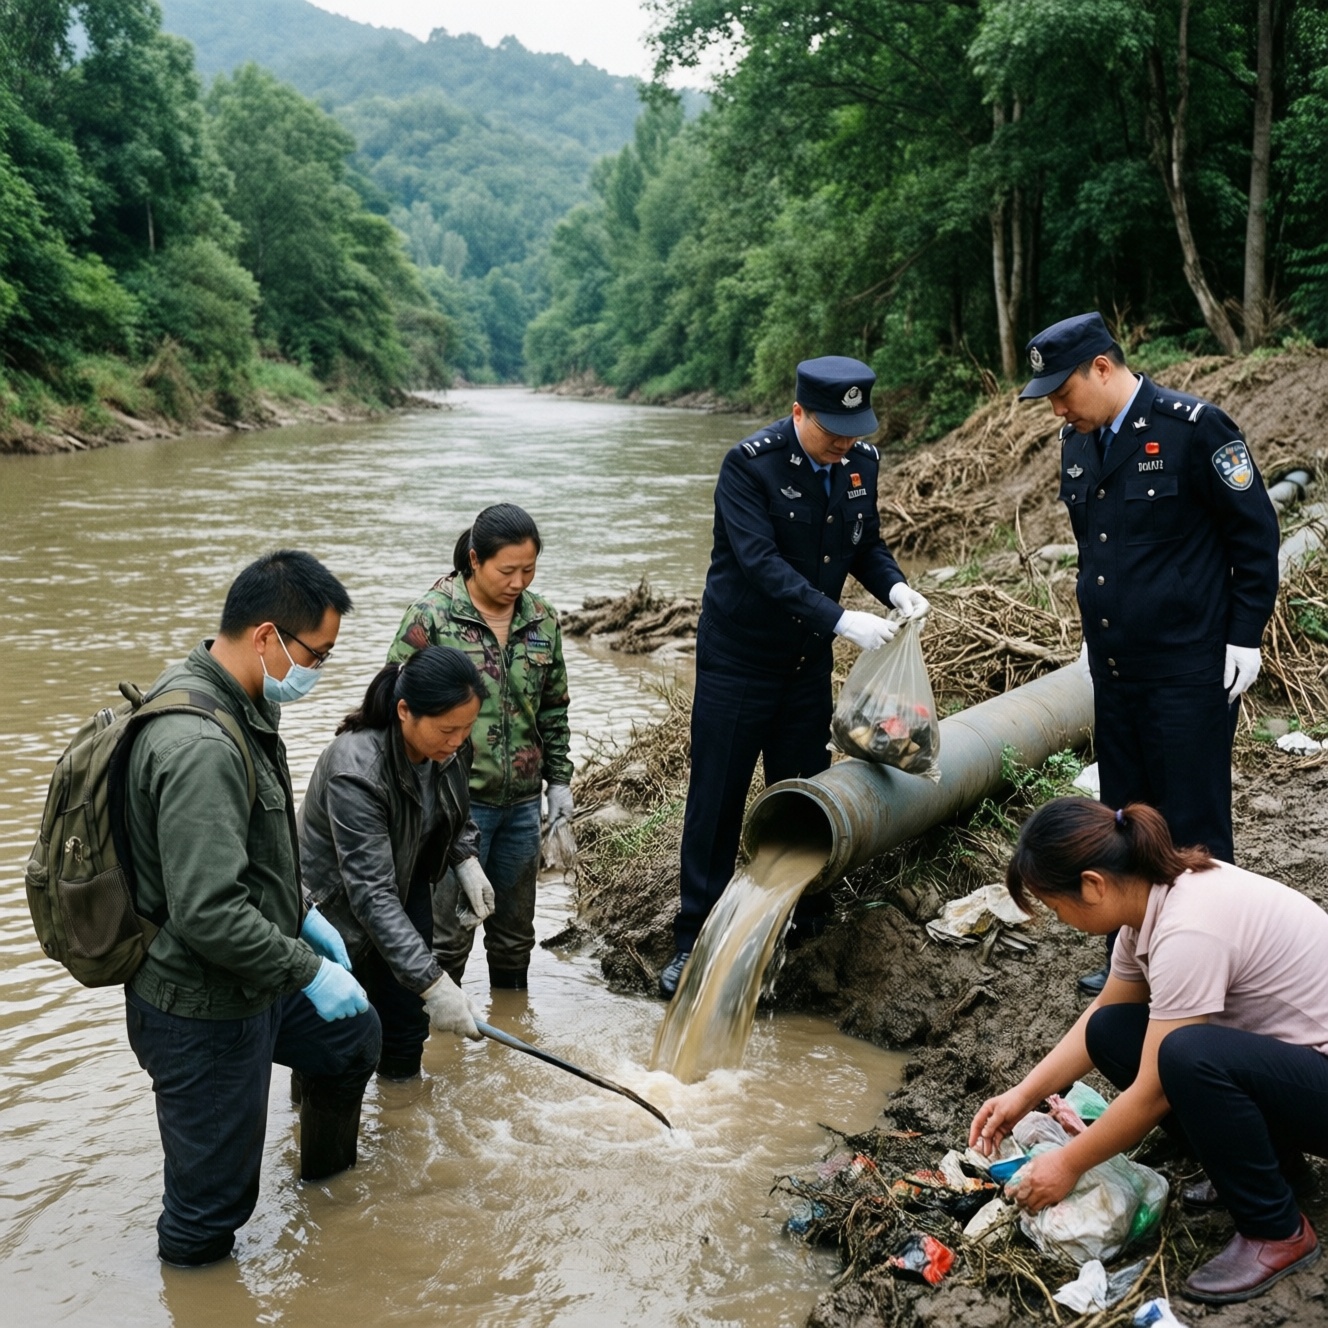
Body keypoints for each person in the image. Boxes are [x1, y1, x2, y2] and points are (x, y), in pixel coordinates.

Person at [123, 550, 382, 1269]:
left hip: (253, 975)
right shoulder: (200, 742)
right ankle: (200, 1297)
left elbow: (255, 849)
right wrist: (308, 968)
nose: (320, 671)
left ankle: (327, 1206)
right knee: (209, 1214)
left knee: (351, 1039)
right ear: (268, 637)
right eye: (317, 654)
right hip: (200, 1006)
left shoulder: (246, 703)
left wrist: (299, 910)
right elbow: (208, 912)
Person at [970, 797, 1328, 1305]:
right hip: (1295, 1068)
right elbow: (1102, 1017)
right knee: (1112, 1031)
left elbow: (1154, 1091)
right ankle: (1275, 1165)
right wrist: (1022, 1096)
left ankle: (1276, 1230)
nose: (1060, 919)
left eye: (1055, 907)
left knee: (1186, 1056)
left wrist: (1067, 1163)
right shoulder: (1150, 905)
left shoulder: (1189, 928)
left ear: (1092, 884)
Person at [1019, 312, 1280, 995]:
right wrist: (1094, 628)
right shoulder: (1077, 443)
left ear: (1102, 367)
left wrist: (1245, 635)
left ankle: (1212, 963)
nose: (1055, 406)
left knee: (1189, 819)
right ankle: (1133, 959)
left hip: (1188, 664)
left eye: (1062, 389)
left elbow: (1254, 537)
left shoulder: (1194, 428)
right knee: (1124, 815)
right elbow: (1098, 548)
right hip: (1115, 667)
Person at [661, 355, 930, 999]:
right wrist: (843, 620)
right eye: (832, 430)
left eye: (855, 430)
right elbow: (760, 564)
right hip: (739, 661)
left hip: (806, 664)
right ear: (798, 413)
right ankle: (692, 937)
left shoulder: (859, 463)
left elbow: (865, 543)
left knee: (803, 789)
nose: (844, 444)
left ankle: (803, 925)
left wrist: (895, 589)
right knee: (717, 800)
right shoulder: (749, 466)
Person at [387, 503, 572, 991]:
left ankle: (508, 1036)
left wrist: (561, 784)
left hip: (521, 806)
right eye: (507, 570)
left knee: (514, 936)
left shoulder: (542, 618)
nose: (518, 582)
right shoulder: (434, 617)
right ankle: (432, 1046)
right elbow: (393, 708)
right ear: (474, 559)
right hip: (451, 807)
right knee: (447, 939)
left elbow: (553, 708)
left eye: (528, 570)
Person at [299, 647, 494, 1081]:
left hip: (403, 888)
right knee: (334, 1034)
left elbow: (453, 809)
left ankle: (401, 1117)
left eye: (467, 728)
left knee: (407, 1024)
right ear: (405, 711)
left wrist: (465, 859)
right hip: (335, 914)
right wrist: (436, 984)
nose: (459, 741)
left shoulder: (450, 747)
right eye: (448, 729)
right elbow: (369, 894)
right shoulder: (356, 769)